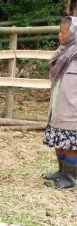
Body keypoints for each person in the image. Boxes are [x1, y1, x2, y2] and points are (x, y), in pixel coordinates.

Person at [42, 16, 77, 189]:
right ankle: (62, 172)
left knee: (70, 143)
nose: (59, 35)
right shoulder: (63, 52)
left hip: (73, 109)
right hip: (58, 105)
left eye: (63, 32)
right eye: (60, 31)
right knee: (59, 141)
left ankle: (70, 178)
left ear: (72, 34)